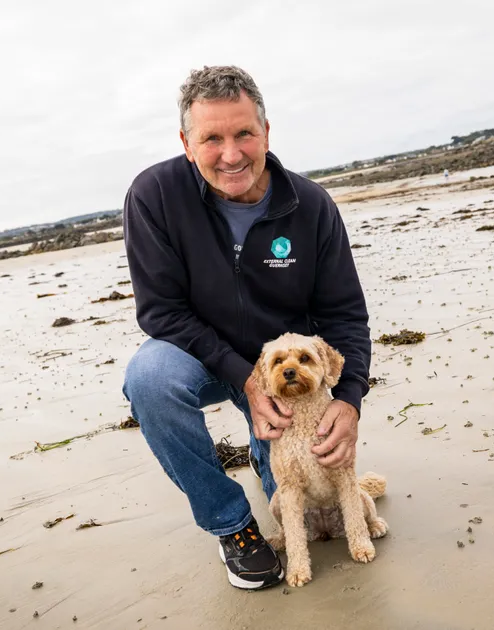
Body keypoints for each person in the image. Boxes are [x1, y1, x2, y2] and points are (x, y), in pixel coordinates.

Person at [120, 65, 372, 591]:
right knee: (149, 379)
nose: (231, 154)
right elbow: (161, 312)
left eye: (243, 134)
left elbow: (346, 315)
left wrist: (348, 400)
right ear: (187, 143)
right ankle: (231, 526)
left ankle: (276, 470)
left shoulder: (312, 206)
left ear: (266, 132)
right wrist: (245, 377)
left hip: (285, 368)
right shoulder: (154, 195)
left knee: (287, 490)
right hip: (203, 357)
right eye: (212, 138)